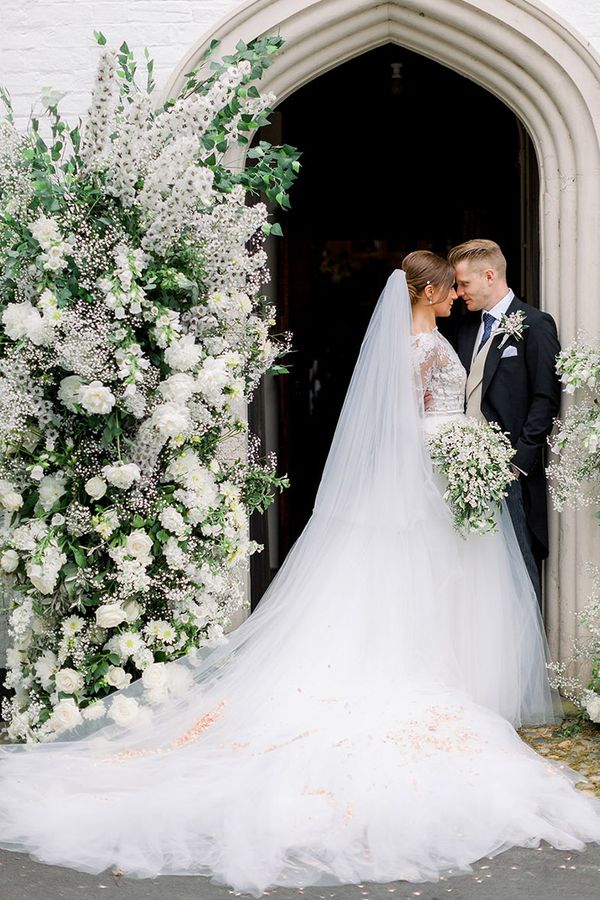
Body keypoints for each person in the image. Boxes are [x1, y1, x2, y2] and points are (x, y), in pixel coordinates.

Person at [0, 258, 599, 897]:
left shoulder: (430, 341)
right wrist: (453, 456)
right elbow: (410, 427)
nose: (458, 294)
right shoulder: (421, 347)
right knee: (418, 588)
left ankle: (444, 669)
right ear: (427, 292)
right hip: (433, 479)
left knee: (431, 588)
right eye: (448, 286)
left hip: (446, 478)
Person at [448, 239, 561, 606]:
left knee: (519, 576)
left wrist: (519, 464)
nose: (459, 292)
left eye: (464, 283)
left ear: (490, 275)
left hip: (511, 473)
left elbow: (546, 399)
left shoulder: (535, 325)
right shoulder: (466, 330)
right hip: (466, 472)